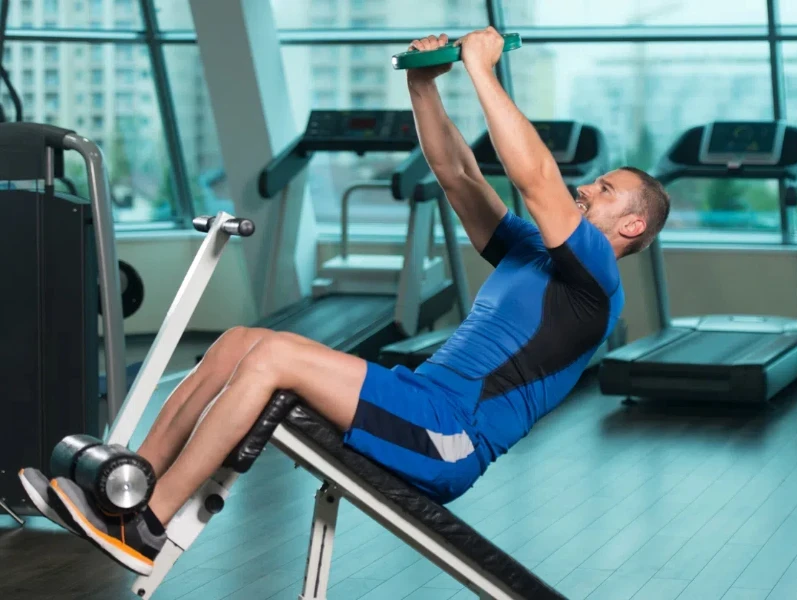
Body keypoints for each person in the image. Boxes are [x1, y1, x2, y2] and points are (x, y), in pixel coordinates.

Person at [21, 27, 670, 576]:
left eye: (608, 189)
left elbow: (536, 178)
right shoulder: (530, 250)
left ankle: (152, 525)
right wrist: (424, 87)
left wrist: (480, 71)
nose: (590, 187)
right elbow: (458, 174)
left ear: (632, 227)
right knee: (240, 340)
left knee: (273, 356)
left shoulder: (595, 281)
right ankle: (126, 492)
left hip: (452, 437)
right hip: (418, 399)